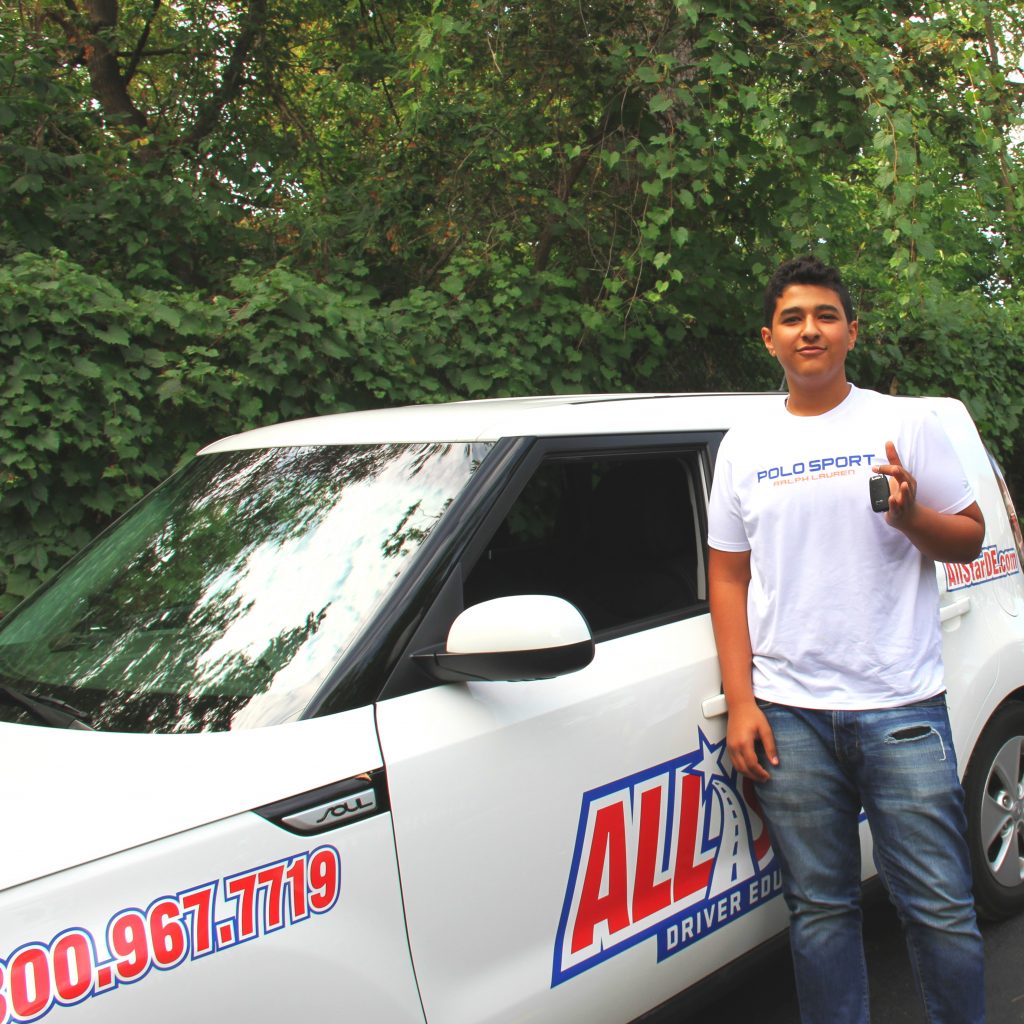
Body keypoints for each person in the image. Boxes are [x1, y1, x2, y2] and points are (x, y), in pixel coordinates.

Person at [707, 255, 987, 1024]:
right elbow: (727, 578)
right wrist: (741, 702)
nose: (810, 330)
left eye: (826, 315)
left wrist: (908, 519)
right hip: (789, 714)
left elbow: (968, 537)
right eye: (793, 318)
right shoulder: (743, 445)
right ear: (769, 338)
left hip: (899, 705)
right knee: (821, 913)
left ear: (851, 332)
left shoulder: (905, 424)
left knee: (939, 909)